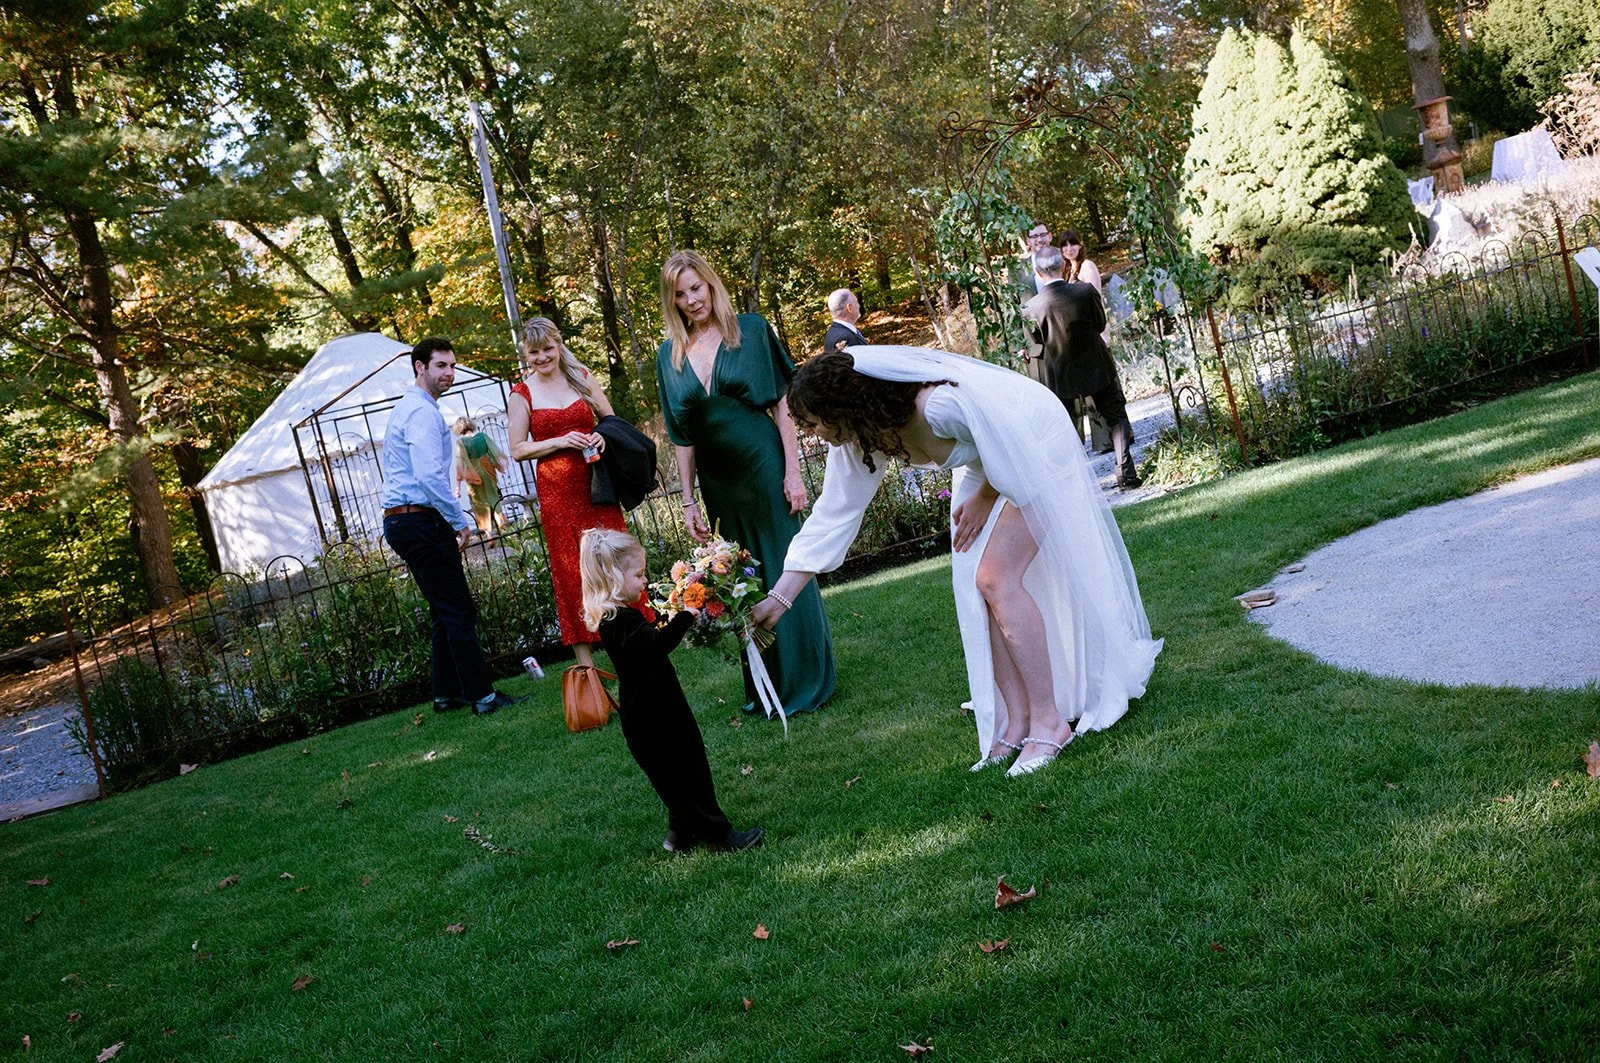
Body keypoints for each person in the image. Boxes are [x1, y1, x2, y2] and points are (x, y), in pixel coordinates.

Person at [751, 347, 1161, 777]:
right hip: (990, 459)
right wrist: (781, 599)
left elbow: (1009, 437)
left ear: (840, 407)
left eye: (814, 422)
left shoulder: (937, 407)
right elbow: (834, 513)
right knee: (975, 584)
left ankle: (1049, 723)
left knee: (995, 577)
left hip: (1036, 441)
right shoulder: (861, 437)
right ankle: (1015, 722)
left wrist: (986, 497)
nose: (813, 433)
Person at [655, 250, 835, 717]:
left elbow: (782, 403)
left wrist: (793, 471)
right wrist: (689, 500)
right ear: (671, 301)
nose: (692, 300)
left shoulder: (751, 330)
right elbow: (681, 436)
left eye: (697, 288)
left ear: (711, 284)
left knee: (784, 561)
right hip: (718, 483)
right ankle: (763, 682)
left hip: (763, 463)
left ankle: (806, 678)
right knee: (740, 577)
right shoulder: (668, 355)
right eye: (680, 294)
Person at [581, 528, 764, 854]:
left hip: (657, 707)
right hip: (654, 714)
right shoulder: (617, 619)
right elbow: (655, 645)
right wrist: (683, 618)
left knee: (675, 773)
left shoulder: (620, 616)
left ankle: (680, 833)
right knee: (687, 770)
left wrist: (667, 619)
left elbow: (647, 639)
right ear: (613, 576)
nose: (643, 580)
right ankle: (718, 835)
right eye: (638, 574)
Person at [381, 337, 525, 716]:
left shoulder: (413, 409)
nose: (449, 373)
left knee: (443, 609)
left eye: (452, 366)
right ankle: (483, 697)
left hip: (407, 521)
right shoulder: (421, 412)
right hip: (416, 519)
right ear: (420, 367)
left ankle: (446, 694)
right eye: (441, 366)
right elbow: (429, 476)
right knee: (459, 610)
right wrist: (459, 520)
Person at [507, 317, 639, 672]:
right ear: (526, 354)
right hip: (557, 492)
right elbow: (517, 449)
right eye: (534, 352)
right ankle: (587, 667)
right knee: (573, 570)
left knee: (613, 558)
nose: (542, 357)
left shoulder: (580, 375)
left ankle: (633, 642)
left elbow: (610, 419)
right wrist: (559, 441)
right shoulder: (522, 394)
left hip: (596, 482)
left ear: (558, 343)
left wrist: (602, 435)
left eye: (548, 348)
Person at [1024, 246, 1141, 489]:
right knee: (1115, 415)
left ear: (1037, 271)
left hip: (1060, 373)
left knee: (1063, 428)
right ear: (1062, 266)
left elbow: (1036, 343)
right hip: (1096, 365)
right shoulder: (1084, 291)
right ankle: (1125, 472)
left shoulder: (1031, 308)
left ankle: (1075, 486)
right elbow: (1099, 324)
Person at [1059, 229, 1115, 455]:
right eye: (1065, 245)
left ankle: (1113, 435)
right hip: (1077, 340)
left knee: (1103, 385)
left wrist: (1103, 332)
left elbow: (1096, 300)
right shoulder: (1066, 271)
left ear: (1081, 245)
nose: (1069, 248)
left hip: (1094, 330)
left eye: (1073, 244)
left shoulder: (1087, 267)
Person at [451, 416, 509, 535]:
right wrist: (499, 467)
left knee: (479, 503)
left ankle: (489, 534)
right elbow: (494, 453)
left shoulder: (461, 443)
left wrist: (457, 487)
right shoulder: (483, 436)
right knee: (493, 497)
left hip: (473, 476)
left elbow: (460, 464)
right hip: (488, 471)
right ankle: (501, 523)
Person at [822, 288, 868, 354]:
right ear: (849, 308)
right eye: (856, 302)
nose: (859, 305)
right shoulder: (845, 338)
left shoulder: (834, 332)